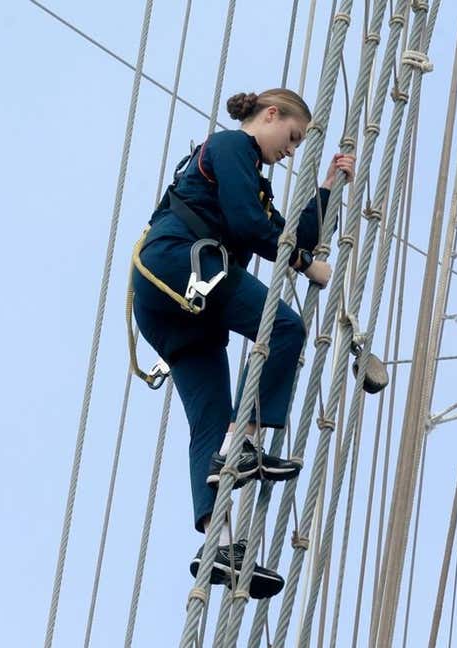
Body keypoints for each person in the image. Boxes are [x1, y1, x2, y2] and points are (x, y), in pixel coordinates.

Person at [132, 89, 356, 597]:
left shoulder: (253, 181)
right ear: (270, 115)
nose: (291, 150)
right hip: (181, 262)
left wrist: (328, 190)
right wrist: (302, 264)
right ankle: (246, 442)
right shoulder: (232, 147)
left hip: (176, 306)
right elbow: (247, 225)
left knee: (210, 419)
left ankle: (219, 546)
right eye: (292, 137)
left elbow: (285, 233)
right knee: (285, 328)